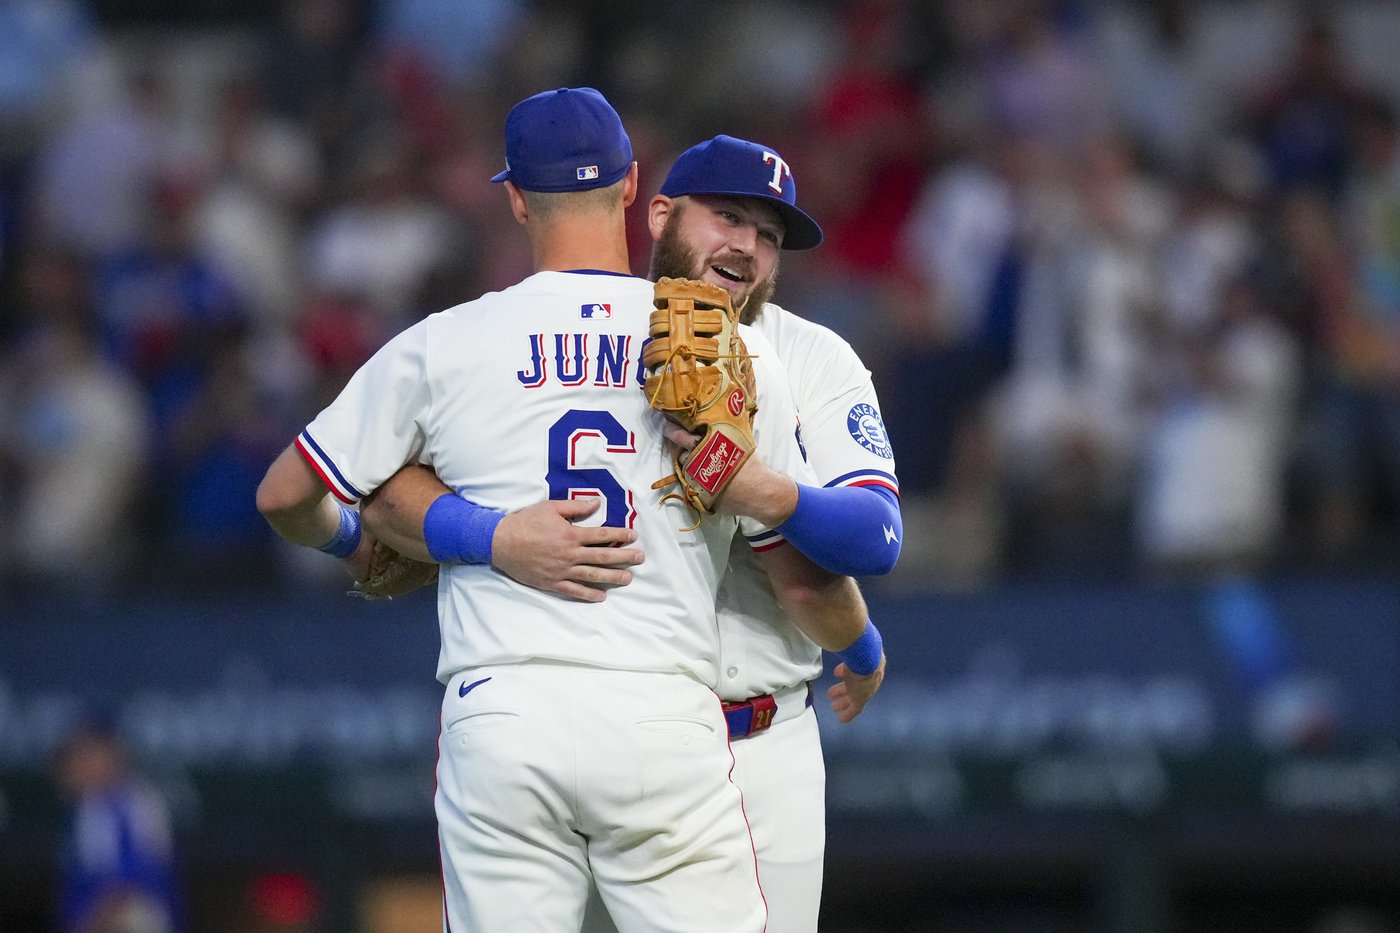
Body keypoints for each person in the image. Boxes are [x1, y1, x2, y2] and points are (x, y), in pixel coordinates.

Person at [255, 88, 878, 932]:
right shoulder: (725, 349)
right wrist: (861, 643)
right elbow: (804, 575)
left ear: (516, 198)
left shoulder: (446, 342)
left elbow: (286, 493)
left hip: (501, 707)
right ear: (633, 189)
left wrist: (370, 540)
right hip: (660, 710)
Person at [53, 715, 180, 933]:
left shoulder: (131, 805)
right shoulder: (88, 807)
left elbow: (131, 887)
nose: (77, 765)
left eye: (87, 756)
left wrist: (94, 922)